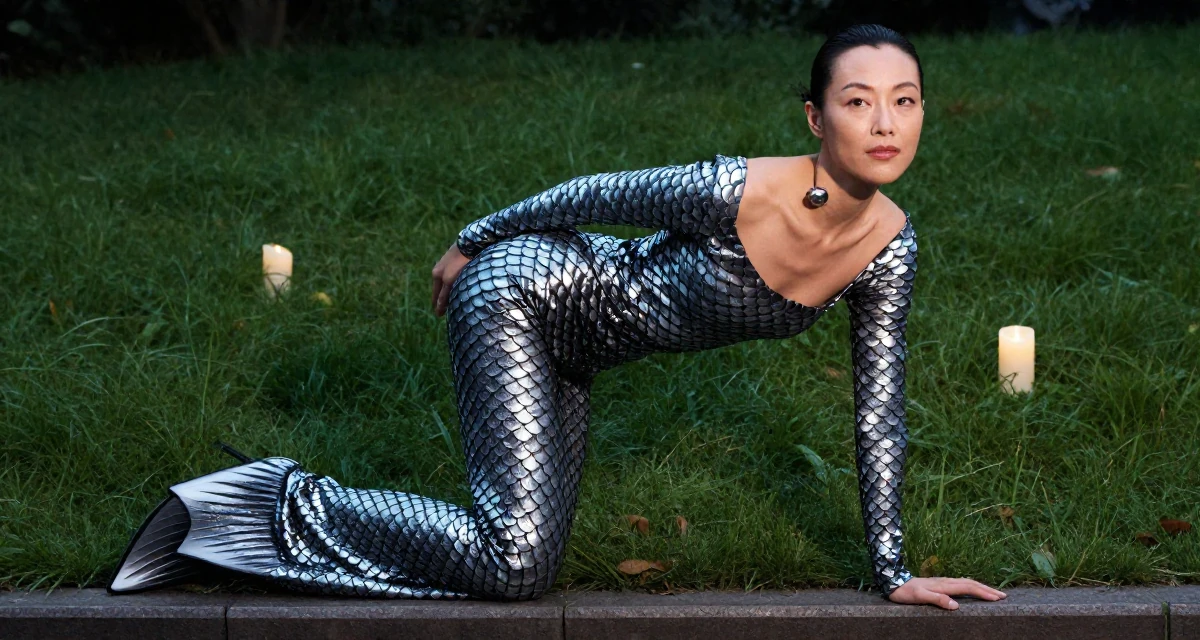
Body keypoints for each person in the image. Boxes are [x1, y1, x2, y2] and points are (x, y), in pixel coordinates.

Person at [109, 23, 1006, 610]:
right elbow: (598, 191)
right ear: (817, 117)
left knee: (524, 569)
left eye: (905, 99)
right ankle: (262, 505)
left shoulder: (890, 245)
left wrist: (894, 571)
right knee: (511, 560)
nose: (884, 120)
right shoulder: (745, 190)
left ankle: (250, 521)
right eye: (858, 101)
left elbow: (877, 409)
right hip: (524, 292)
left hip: (576, 346)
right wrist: (472, 241)